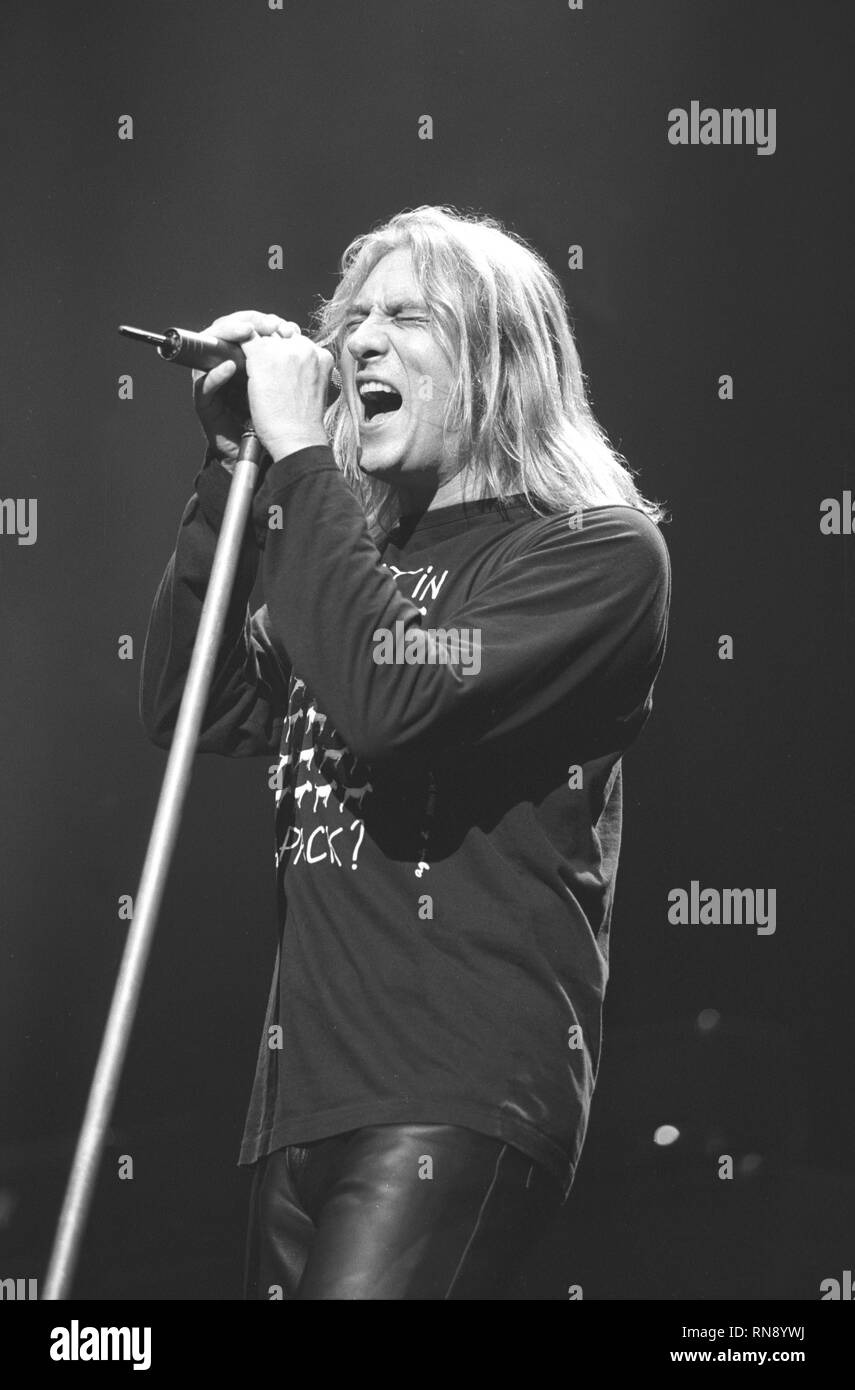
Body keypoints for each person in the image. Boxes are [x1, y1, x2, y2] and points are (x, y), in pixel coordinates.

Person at [140, 205, 671, 1300]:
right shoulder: (349, 551)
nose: (357, 343)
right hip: (302, 1096)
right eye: (351, 320)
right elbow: (198, 704)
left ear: (498, 358)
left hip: (454, 1086)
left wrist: (299, 466)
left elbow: (393, 695)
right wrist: (233, 460)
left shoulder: (589, 553)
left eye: (407, 318)